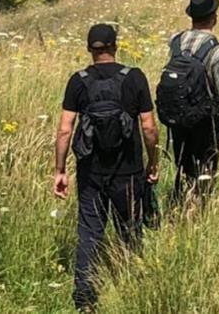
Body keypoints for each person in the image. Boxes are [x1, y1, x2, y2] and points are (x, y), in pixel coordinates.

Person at [54, 24, 159, 310]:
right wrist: (153, 161)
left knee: (90, 234)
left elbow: (65, 130)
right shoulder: (135, 77)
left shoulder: (78, 80)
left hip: (91, 173)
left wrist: (60, 170)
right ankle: (133, 289)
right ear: (116, 46)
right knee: (131, 231)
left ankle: (85, 301)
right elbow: (149, 127)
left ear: (90, 49)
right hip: (129, 171)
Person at [161, 0, 219, 203]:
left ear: (192, 17)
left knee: (183, 163)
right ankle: (198, 206)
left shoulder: (175, 41)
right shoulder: (216, 52)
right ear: (214, 18)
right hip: (205, 119)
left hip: (177, 115)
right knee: (205, 166)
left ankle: (181, 200)